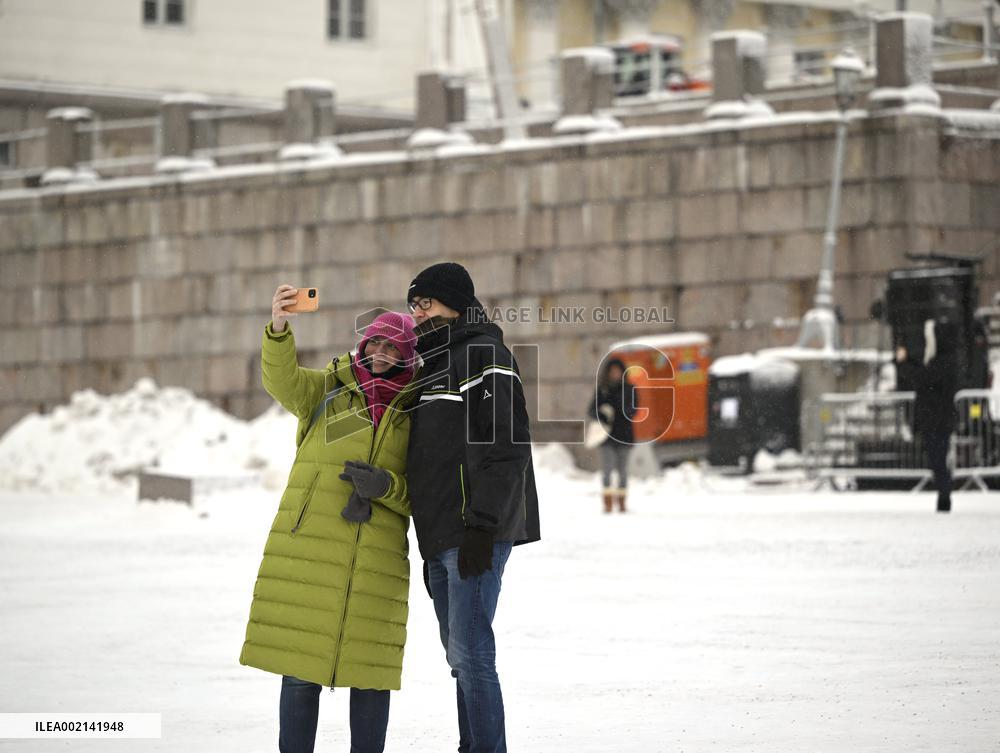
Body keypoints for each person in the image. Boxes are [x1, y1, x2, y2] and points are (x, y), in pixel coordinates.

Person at [239, 284, 419, 753]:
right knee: (300, 674)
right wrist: (279, 329)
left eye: (391, 346)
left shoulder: (416, 413)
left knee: (371, 678)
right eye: (374, 343)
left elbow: (423, 494)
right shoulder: (328, 390)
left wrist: (388, 488)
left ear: (406, 354)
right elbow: (282, 380)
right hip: (311, 549)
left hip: (377, 559)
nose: (380, 353)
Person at [404, 262, 541, 753]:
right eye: (412, 305)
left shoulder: (483, 352)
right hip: (439, 535)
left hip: (474, 531)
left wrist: (483, 526)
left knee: (472, 655)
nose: (417, 314)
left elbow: (507, 444)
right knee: (458, 656)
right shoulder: (429, 363)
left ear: (455, 303)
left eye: (425, 303)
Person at [895, 317, 959, 513]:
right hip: (936, 418)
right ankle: (943, 497)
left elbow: (923, 378)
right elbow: (923, 375)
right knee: (936, 459)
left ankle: (944, 498)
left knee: (938, 459)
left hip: (937, 419)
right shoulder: (944, 360)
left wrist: (904, 363)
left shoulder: (945, 361)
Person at [589, 357, 637, 513]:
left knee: (623, 470)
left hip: (624, 434)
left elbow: (634, 410)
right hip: (606, 436)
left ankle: (622, 501)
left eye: (618, 371)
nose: (615, 374)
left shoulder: (629, 389)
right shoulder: (603, 389)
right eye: (613, 372)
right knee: (607, 469)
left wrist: (623, 408)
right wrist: (602, 415)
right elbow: (592, 409)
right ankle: (607, 501)